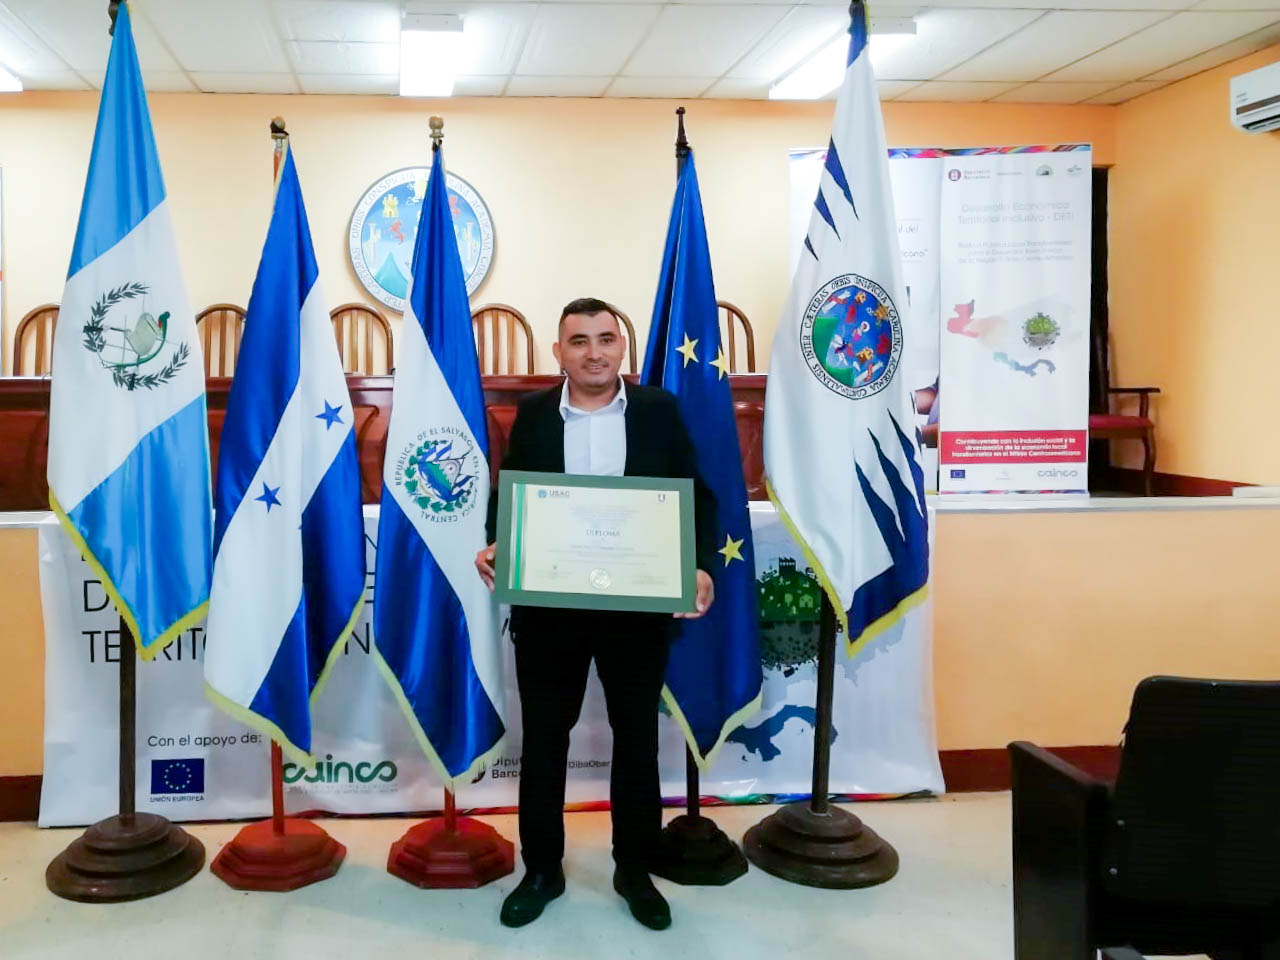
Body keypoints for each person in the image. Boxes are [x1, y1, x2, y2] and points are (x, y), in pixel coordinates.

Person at [476, 297, 716, 931]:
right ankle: (542, 870)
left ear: (621, 347)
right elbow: (510, 496)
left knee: (636, 740)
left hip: (634, 610)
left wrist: (698, 566)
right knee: (544, 742)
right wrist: (498, 543)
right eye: (579, 341)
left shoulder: (658, 411)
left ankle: (633, 869)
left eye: (605, 338)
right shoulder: (533, 413)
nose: (594, 352)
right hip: (551, 611)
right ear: (558, 353)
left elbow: (695, 495)